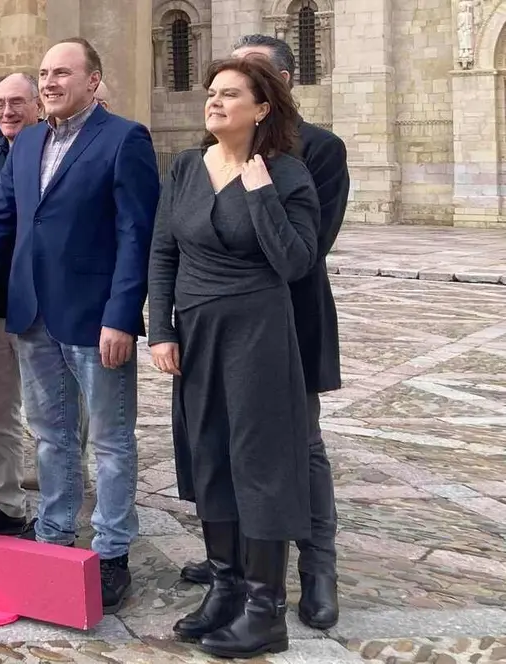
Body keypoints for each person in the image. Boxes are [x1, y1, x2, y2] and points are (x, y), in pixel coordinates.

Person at [0, 38, 160, 615]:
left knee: (110, 440)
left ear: (93, 80)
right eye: (44, 73)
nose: (50, 82)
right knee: (49, 433)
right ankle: (55, 534)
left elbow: (135, 235)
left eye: (63, 72)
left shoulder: (125, 139)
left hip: (95, 319)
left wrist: (122, 314)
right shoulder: (27, 141)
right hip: (32, 312)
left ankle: (112, 551)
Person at [174, 35, 350, 632]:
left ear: (277, 86)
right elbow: (174, 245)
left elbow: (307, 249)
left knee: (297, 448)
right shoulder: (197, 161)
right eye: (217, 86)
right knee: (220, 446)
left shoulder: (316, 151)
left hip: (287, 320)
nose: (221, 95)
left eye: (243, 80)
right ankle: (232, 569)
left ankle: (317, 568)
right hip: (215, 323)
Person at [147, 56, 318, 659]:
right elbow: (163, 252)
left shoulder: (288, 174)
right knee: (209, 454)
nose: (214, 102)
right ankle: (225, 588)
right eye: (211, 92)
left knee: (258, 462)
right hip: (195, 333)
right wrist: (160, 330)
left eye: (230, 94)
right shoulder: (186, 167)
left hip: (258, 333)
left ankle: (266, 611)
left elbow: (295, 262)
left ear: (262, 109)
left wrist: (261, 191)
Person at [0, 72, 42, 535]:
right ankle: (8, 501)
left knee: (52, 414)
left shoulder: (53, 151)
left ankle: (60, 498)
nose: (6, 111)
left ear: (37, 105)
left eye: (16, 101)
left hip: (42, 304)